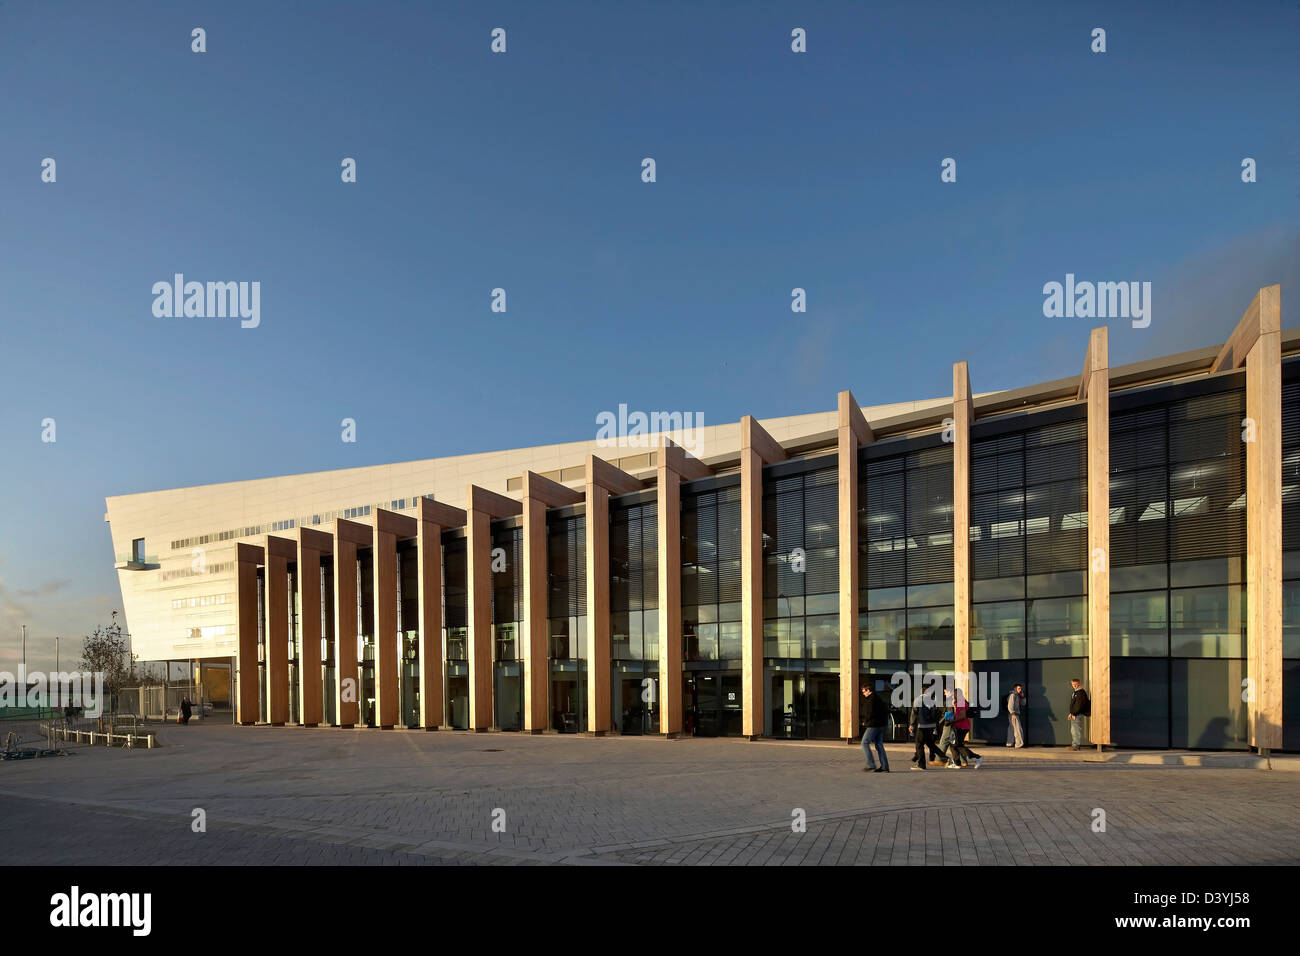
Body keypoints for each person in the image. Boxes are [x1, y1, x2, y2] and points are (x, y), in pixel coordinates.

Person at [947, 688, 982, 769]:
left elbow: (962, 716)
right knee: (953, 745)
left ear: (958, 694)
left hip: (962, 726)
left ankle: (977, 757)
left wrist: (952, 721)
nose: (953, 695)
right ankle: (957, 763)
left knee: (957, 745)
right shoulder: (959, 701)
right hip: (959, 726)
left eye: (954, 694)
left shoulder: (961, 702)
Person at [859, 685, 890, 773]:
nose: (863, 693)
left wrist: (865, 721)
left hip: (873, 725)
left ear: (868, 690)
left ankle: (871, 765)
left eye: (864, 691)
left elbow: (870, 713)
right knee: (879, 745)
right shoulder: (878, 698)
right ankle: (884, 767)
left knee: (864, 743)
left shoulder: (871, 700)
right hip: (881, 725)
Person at [908, 692, 940, 770]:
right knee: (930, 744)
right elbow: (936, 713)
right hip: (931, 726)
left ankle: (921, 764)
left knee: (919, 744)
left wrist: (912, 725)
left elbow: (914, 713)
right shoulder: (932, 701)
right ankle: (944, 758)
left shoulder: (918, 700)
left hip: (922, 726)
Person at [1068, 678, 1090, 750]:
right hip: (1074, 714)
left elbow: (1079, 705)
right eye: (1073, 684)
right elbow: (1073, 705)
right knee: (1073, 730)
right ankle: (1074, 745)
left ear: (1079, 684)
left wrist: (1074, 713)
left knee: (1076, 730)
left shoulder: (1080, 693)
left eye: (1076, 684)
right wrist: (1071, 713)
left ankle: (1076, 746)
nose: (1074, 686)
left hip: (1077, 714)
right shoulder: (1076, 692)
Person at [1005, 683, 1026, 748]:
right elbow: (1010, 705)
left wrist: (1022, 697)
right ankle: (1019, 744)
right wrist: (1013, 713)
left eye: (1021, 688)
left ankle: (1009, 743)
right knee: (1017, 729)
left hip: (1013, 714)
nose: (1020, 690)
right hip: (1013, 714)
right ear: (1015, 689)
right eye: (1019, 688)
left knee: (1012, 729)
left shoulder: (1017, 695)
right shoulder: (1013, 695)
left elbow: (1023, 704)